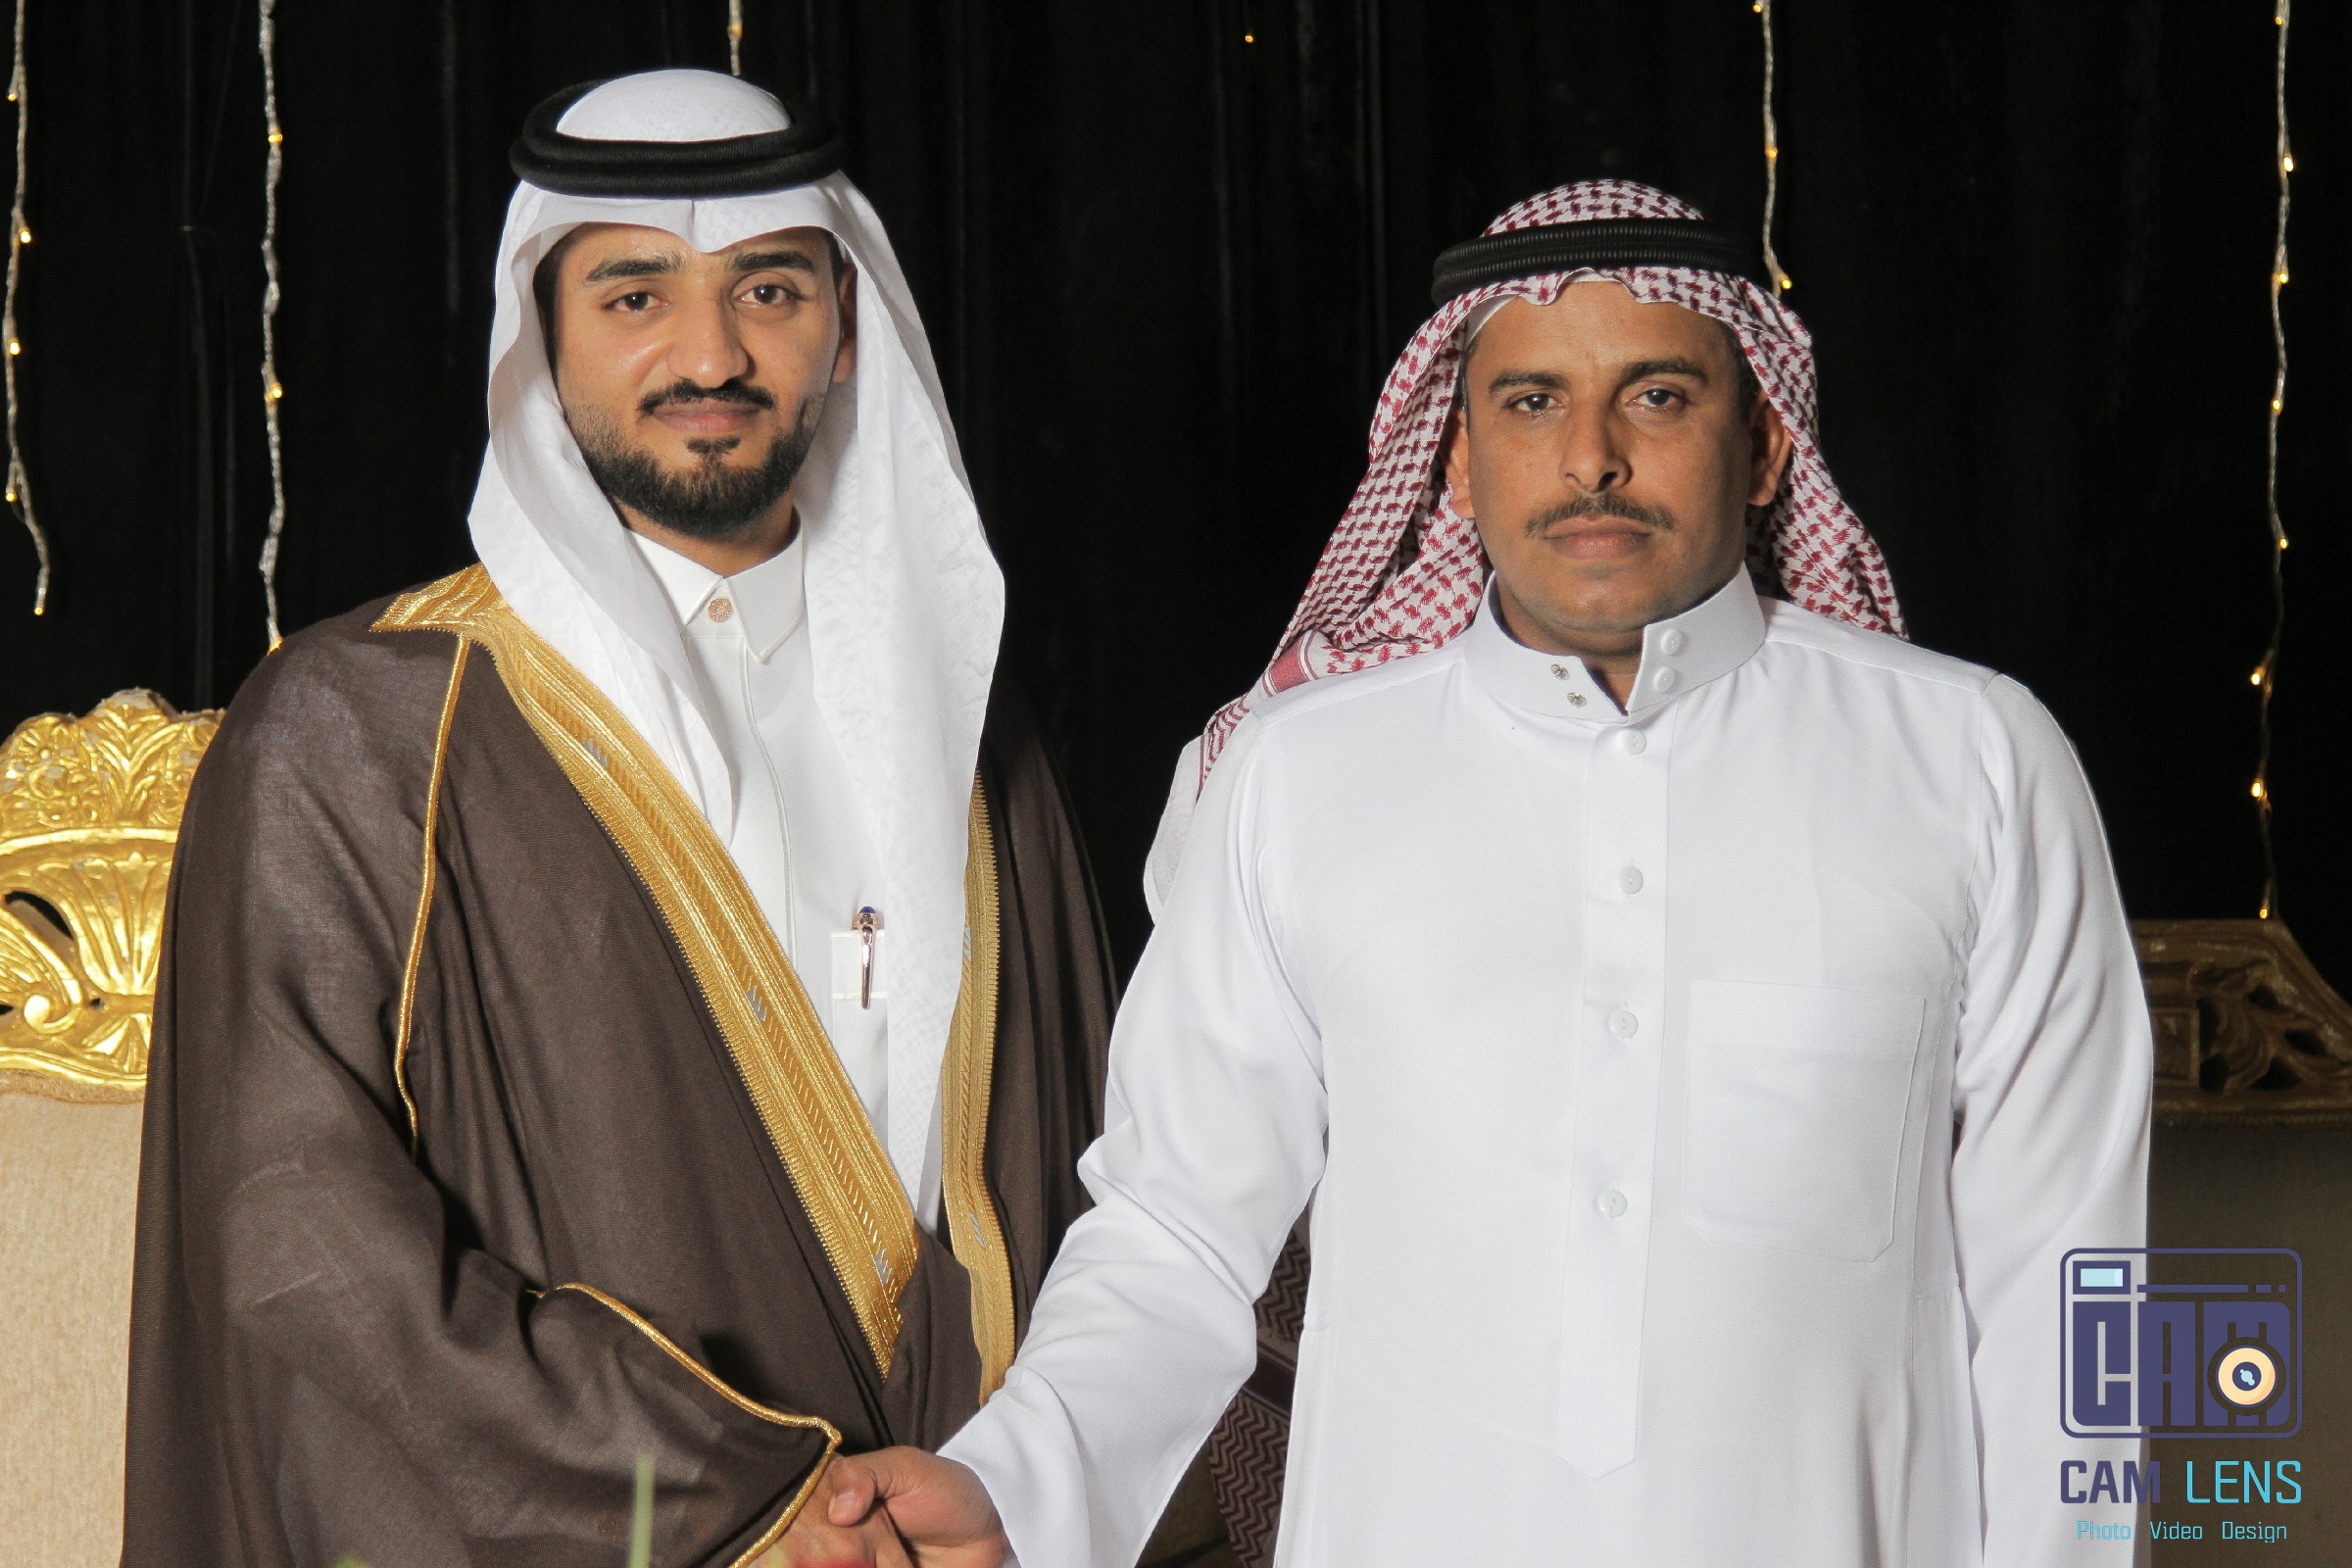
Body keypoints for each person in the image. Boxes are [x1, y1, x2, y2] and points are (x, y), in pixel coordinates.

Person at [827, 180, 2151, 1567]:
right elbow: (1175, 1233)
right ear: (1456, 460)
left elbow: (2079, 1284)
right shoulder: (1295, 778)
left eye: (1657, 397)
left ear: (1764, 444)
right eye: (1530, 402)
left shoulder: (1975, 764)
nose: (1591, 458)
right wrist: (1010, 1483)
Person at [122, 69, 1116, 1568]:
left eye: (769, 290)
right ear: (542, 340)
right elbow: (299, 1244)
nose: (711, 353)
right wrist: (746, 1509)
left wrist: (1014, 1492)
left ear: (849, 329)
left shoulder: (975, 734)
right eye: (636, 296)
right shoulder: (357, 732)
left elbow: (1091, 1187)